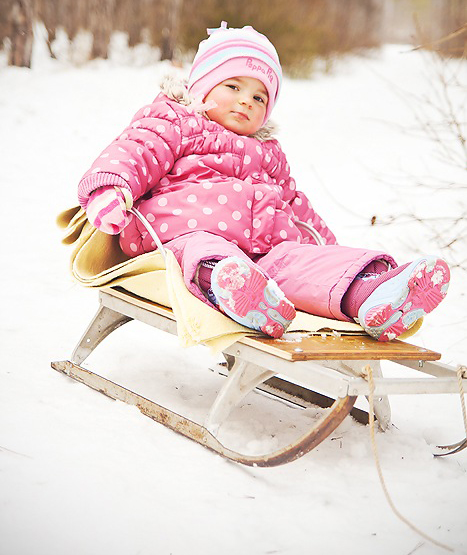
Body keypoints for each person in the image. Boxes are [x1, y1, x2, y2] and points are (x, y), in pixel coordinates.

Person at [78, 22, 450, 341]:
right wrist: (110, 188)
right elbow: (137, 149)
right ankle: (229, 287)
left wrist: (326, 251)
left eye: (259, 96)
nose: (246, 102)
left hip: (264, 255)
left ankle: (372, 294)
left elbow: (296, 206)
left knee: (300, 264)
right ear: (203, 86)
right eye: (233, 87)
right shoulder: (178, 121)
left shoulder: (268, 153)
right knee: (205, 249)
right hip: (179, 239)